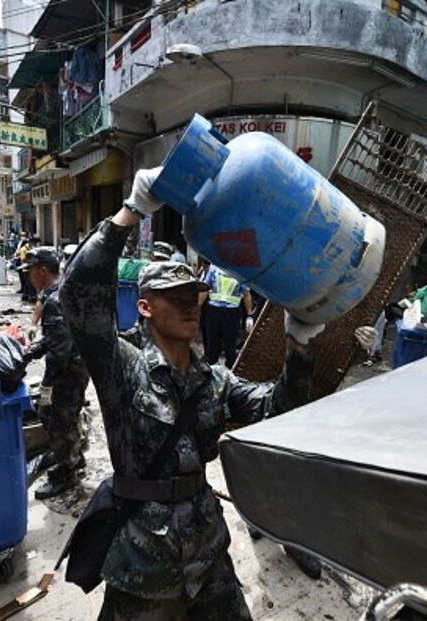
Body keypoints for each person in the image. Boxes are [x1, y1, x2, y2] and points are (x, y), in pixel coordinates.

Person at [60, 167, 326, 619]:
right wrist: (130, 212)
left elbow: (278, 409)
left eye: (194, 296)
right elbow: (79, 297)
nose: (189, 304)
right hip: (143, 558)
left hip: (206, 548)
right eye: (175, 296)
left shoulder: (215, 380)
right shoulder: (122, 367)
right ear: (145, 307)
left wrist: (299, 347)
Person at [22, 247, 90, 499]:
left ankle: (67, 472)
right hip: (78, 365)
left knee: (55, 418)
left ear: (42, 271)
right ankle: (74, 457)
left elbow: (59, 351)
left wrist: (47, 387)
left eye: (30, 271)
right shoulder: (65, 290)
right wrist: (31, 352)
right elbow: (58, 339)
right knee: (68, 416)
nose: (29, 277)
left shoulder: (54, 301)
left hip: (68, 372)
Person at [202, 264, 254, 368]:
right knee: (212, 342)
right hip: (214, 310)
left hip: (232, 312)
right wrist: (197, 307)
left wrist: (250, 315)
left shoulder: (240, 269)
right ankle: (210, 369)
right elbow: (205, 288)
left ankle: (231, 371)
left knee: (230, 345)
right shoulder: (214, 267)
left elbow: (246, 294)